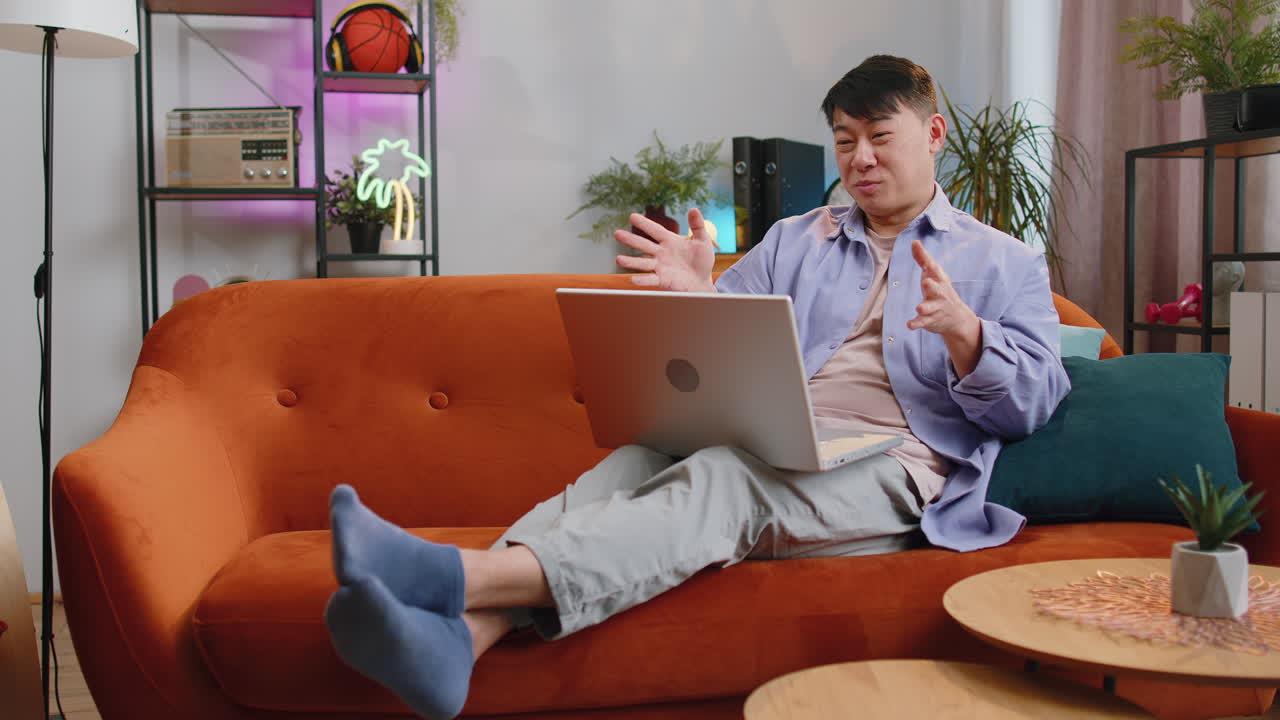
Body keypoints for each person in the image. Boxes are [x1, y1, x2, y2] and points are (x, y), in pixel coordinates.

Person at [322, 54, 1070, 720]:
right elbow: (725, 356)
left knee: (724, 477)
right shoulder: (795, 239)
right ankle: (464, 637)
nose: (861, 158)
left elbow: (1034, 403)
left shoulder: (1006, 262)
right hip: (781, 435)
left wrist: (967, 335)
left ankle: (452, 577)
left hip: (894, 467)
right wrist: (700, 294)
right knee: (637, 459)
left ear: (934, 135)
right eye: (845, 141)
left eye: (880, 136)